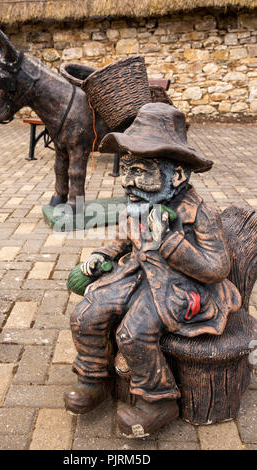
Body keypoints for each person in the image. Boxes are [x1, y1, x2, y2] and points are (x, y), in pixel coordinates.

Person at [64, 103, 241, 437]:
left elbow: (217, 267)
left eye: (141, 171)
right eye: (126, 169)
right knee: (87, 312)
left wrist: (172, 243)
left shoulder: (200, 213)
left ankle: (158, 400)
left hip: (181, 285)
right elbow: (121, 238)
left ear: (176, 175)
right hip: (137, 272)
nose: (128, 181)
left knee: (134, 332)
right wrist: (101, 255)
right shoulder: (138, 202)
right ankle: (93, 378)